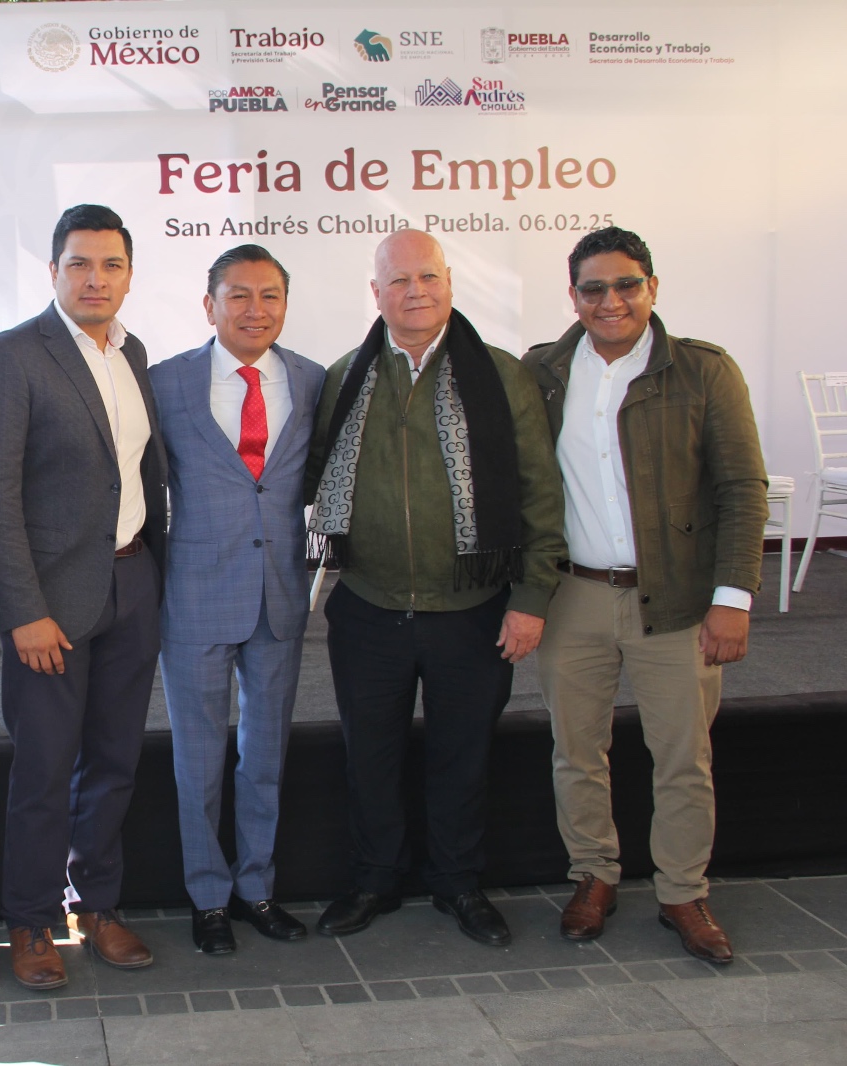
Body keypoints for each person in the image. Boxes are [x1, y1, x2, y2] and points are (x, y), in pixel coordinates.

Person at [305, 229, 565, 947]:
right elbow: (314, 476)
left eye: (428, 277)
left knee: (463, 758)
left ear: (449, 283)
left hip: (472, 610)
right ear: (376, 293)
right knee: (371, 758)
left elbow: (541, 494)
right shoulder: (344, 377)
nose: (415, 291)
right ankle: (373, 879)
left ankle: (458, 883)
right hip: (369, 607)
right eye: (399, 280)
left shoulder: (502, 375)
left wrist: (531, 597)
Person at [524, 227, 767, 964]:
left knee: (683, 755)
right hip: (574, 596)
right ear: (573, 297)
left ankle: (682, 892)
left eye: (627, 284)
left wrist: (733, 597)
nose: (611, 301)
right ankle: (593, 875)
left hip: (679, 599)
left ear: (652, 288)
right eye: (593, 288)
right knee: (576, 749)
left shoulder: (702, 371)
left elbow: (742, 488)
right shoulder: (542, 372)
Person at [0, 204, 168, 990]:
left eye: (111, 265)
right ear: (53, 271)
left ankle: (98, 906)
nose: (95, 279)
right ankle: (30, 919)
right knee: (45, 771)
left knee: (114, 762)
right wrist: (24, 611)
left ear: (129, 276)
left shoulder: (132, 352)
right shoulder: (14, 357)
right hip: (49, 602)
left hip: (132, 584)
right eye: (79, 264)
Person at [149, 244, 325, 954]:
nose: (256, 310)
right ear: (210, 305)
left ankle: (257, 888)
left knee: (265, 754)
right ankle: (208, 898)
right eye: (240, 296)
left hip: (279, 592)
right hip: (193, 594)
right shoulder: (165, 382)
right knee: (198, 760)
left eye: (270, 296)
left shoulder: (311, 380)